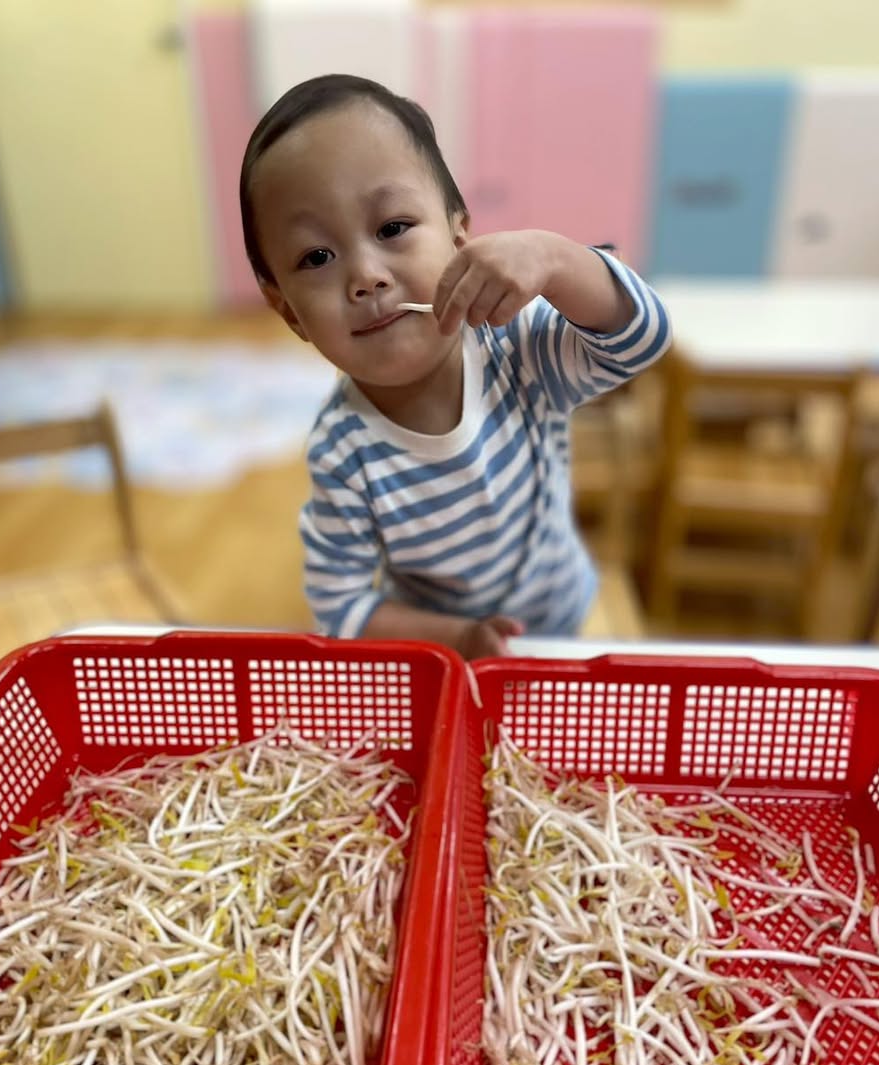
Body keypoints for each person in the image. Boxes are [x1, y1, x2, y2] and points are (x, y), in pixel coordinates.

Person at [239, 74, 671, 658]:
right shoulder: (344, 452)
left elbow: (642, 339)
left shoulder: (515, 347)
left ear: (460, 239)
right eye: (317, 256)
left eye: (392, 228)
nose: (366, 277)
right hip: (447, 657)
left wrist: (555, 258)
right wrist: (457, 638)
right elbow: (342, 607)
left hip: (563, 618)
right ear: (290, 312)